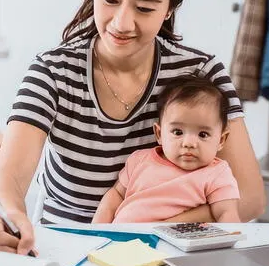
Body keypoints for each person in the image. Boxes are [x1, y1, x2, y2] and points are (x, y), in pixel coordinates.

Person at [0, 0, 265, 256]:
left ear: (171, 7)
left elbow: (250, 199)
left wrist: (147, 227)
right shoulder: (52, 72)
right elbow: (9, 179)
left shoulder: (201, 74)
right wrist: (6, 214)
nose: (122, 22)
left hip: (172, 253)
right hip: (69, 250)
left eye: (145, 7)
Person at [92, 75, 241, 223]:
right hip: (120, 239)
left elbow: (227, 214)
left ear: (221, 140)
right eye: (178, 132)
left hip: (172, 244)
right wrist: (96, 231)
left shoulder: (216, 174)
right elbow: (116, 194)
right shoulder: (140, 160)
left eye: (203, 134)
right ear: (159, 134)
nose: (189, 143)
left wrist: (233, 239)